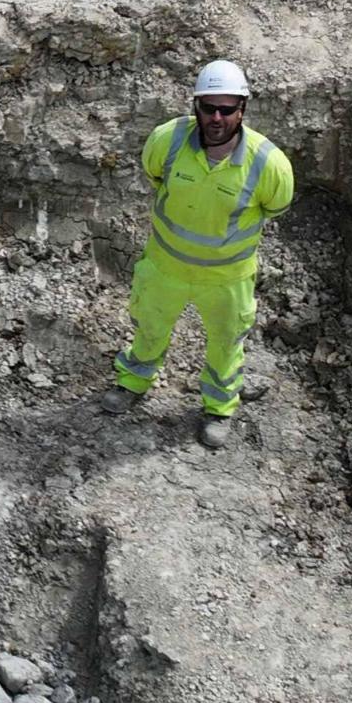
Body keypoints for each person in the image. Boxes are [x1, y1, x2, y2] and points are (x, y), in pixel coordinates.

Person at [101, 59, 293, 446]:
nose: (217, 117)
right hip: (164, 268)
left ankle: (219, 409)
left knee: (226, 344)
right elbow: (154, 175)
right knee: (149, 328)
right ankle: (133, 383)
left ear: (243, 109)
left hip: (226, 281)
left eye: (227, 109)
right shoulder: (167, 141)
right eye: (209, 107)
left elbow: (276, 206)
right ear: (196, 106)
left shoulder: (268, 164)